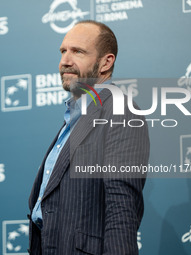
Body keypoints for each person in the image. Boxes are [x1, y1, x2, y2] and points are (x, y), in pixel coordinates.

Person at [28, 20, 150, 255]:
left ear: (106, 62)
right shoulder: (73, 120)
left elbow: (121, 210)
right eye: (63, 51)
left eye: (78, 51)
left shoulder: (120, 110)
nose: (65, 61)